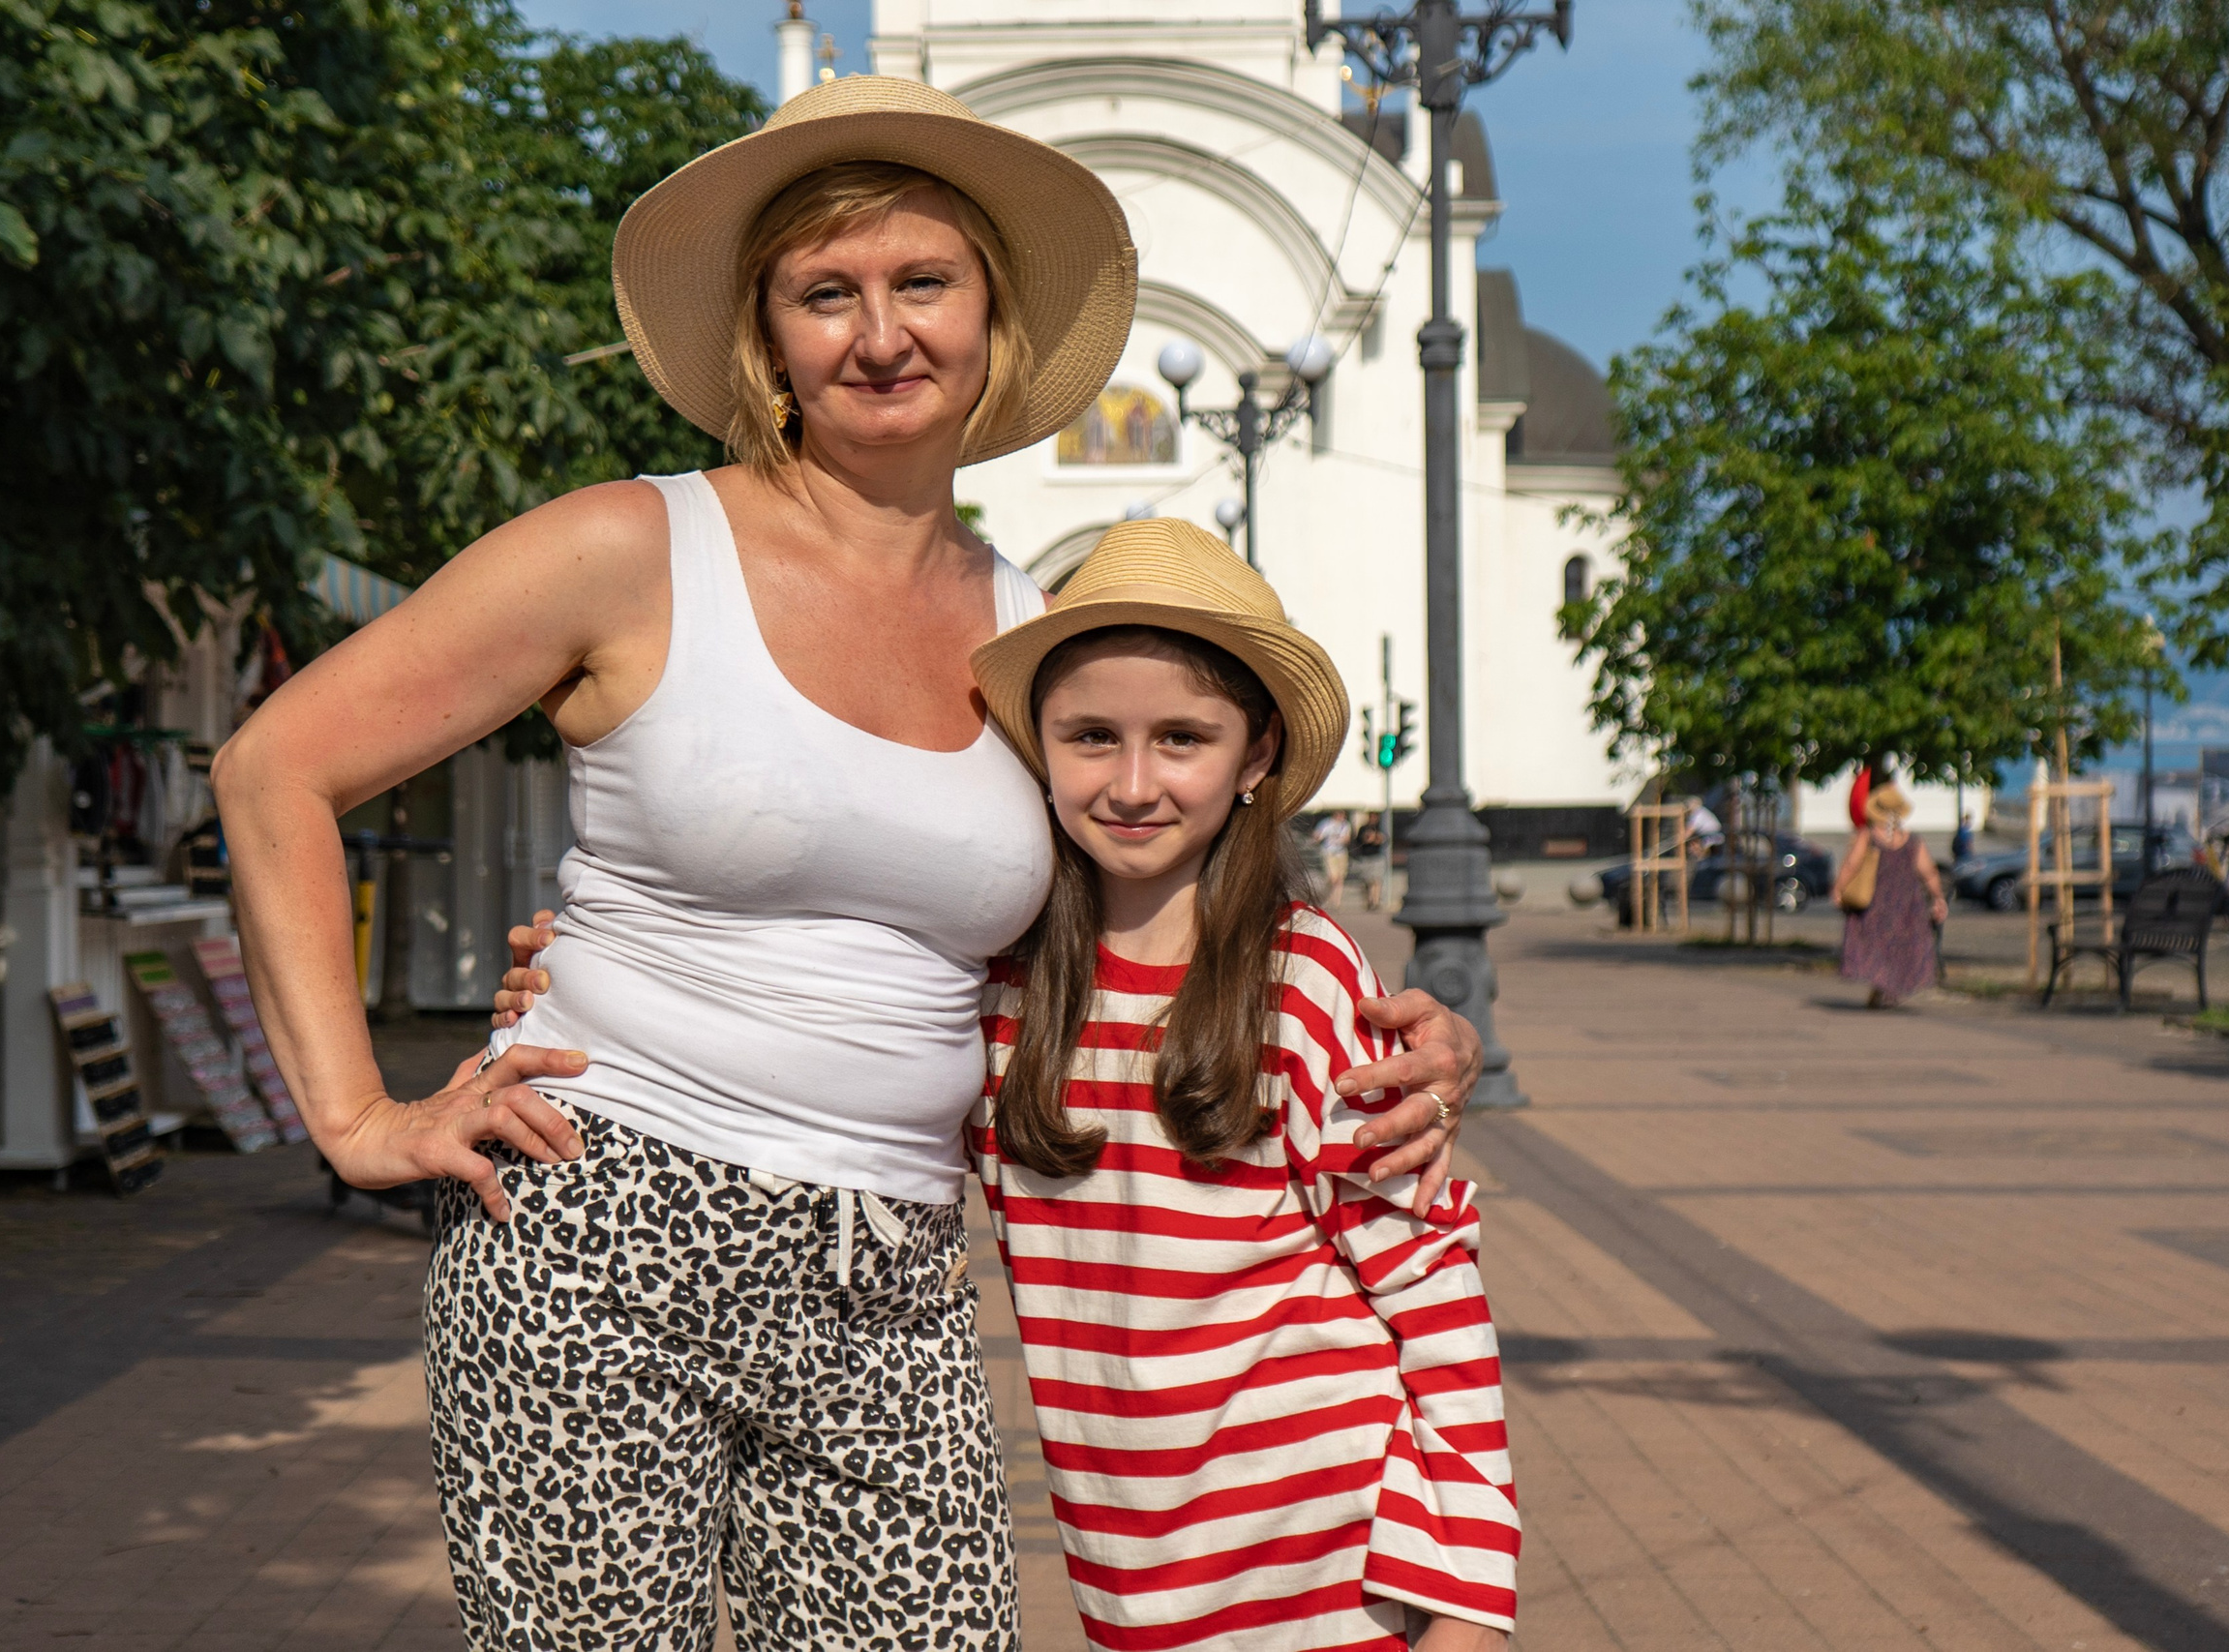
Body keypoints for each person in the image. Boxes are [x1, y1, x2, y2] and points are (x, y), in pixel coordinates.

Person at [214, 75, 1484, 1652]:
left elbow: (1143, 892)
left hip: (888, 1271)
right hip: (607, 1232)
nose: (879, 332)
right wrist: (351, 1115)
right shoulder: (630, 545)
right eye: (828, 292)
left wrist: (1386, 1011)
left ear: (990, 317)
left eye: (920, 282)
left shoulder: (1024, 621)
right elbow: (276, 764)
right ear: (770, 336)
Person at [973, 522, 1517, 1650]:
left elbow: (1430, 1290)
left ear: (1255, 755)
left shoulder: (1305, 978)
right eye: (1090, 737)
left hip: (1333, 1569)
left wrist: (1474, 1609)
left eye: (1181, 738)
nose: (1132, 783)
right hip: (1131, 1576)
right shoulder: (997, 999)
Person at [1835, 782, 1946, 1006]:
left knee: (1876, 945)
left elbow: (1852, 864)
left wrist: (1838, 888)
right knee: (1899, 947)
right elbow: (1929, 872)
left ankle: (1882, 986)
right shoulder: (1913, 841)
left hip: (1875, 903)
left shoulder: (1868, 836)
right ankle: (1889, 988)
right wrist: (1938, 898)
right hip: (1907, 903)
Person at [1312, 808, 1353, 904]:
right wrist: (1319, 837)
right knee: (1332, 877)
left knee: (1340, 878)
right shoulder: (1326, 823)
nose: (1341, 817)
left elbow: (1347, 839)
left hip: (1341, 852)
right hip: (1329, 851)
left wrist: (1342, 840)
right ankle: (1327, 896)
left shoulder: (1345, 825)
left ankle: (1337, 901)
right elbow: (1317, 836)